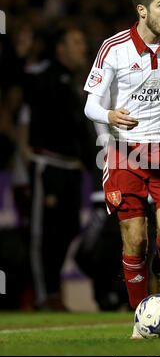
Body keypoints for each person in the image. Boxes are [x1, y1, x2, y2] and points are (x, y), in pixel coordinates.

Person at [84, 0, 160, 337]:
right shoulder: (114, 48)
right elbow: (90, 103)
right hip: (124, 153)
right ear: (142, 10)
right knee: (135, 239)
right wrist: (109, 116)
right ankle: (141, 319)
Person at [21, 27, 96, 310]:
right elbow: (22, 82)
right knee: (43, 234)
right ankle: (43, 296)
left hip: (72, 169)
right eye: (76, 41)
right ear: (60, 48)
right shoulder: (45, 76)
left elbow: (81, 129)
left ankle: (52, 290)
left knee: (68, 229)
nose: (82, 48)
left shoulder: (75, 83)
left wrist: (92, 163)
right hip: (48, 167)